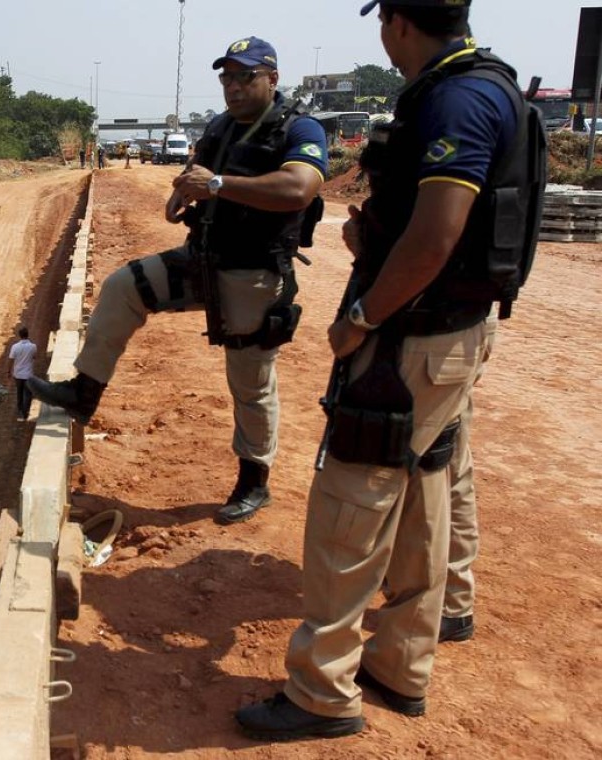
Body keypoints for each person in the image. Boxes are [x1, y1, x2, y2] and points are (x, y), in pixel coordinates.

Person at [237, 0, 540, 740]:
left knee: (352, 505)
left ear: (398, 22)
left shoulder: (456, 97)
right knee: (425, 491)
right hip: (447, 335)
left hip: (408, 337)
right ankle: (400, 665)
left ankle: (321, 691)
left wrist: (360, 318)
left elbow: (435, 237)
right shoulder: (487, 83)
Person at [29, 35, 328, 525]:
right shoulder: (220, 126)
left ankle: (255, 481)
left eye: (245, 76)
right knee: (124, 287)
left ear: (272, 78)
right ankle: (83, 392)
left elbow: (299, 188)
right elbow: (193, 171)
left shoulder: (299, 129)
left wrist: (216, 185)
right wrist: (182, 193)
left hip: (253, 273)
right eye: (226, 77)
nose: (233, 86)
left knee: (249, 383)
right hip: (201, 259)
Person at [440, 313, 497, 642]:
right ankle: (441, 594)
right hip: (451, 325)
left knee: (446, 469)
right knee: (442, 468)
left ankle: (452, 603)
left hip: (449, 329)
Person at [8, 327, 38, 421]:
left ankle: (20, 409)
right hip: (28, 374)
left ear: (19, 335)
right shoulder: (33, 346)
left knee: (19, 392)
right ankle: (25, 412)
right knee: (28, 393)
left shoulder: (15, 347)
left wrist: (9, 371)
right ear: (27, 334)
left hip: (18, 374)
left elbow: (11, 360)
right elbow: (34, 357)